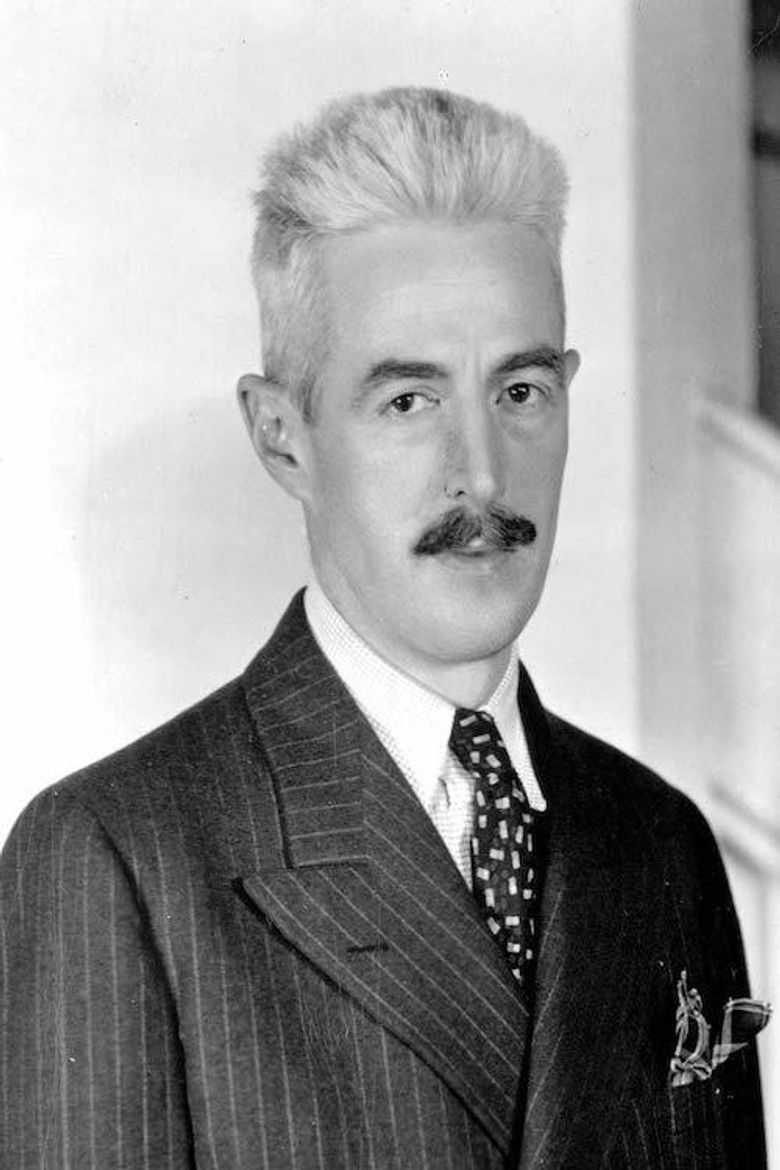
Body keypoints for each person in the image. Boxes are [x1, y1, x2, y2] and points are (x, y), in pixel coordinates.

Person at [0, 87, 769, 1169]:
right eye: (410, 401)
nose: (482, 474)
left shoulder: (661, 843)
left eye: (520, 390)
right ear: (283, 438)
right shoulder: (118, 858)